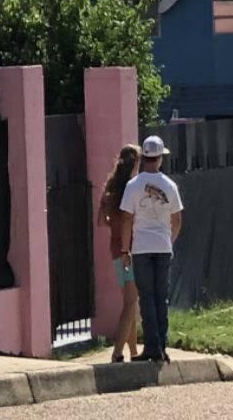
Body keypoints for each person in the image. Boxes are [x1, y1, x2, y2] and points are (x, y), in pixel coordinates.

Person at [119, 135, 184, 363]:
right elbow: (177, 219)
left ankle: (151, 347)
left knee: (146, 297)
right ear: (160, 159)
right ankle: (161, 347)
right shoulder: (170, 185)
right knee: (161, 297)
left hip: (141, 248)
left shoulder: (132, 186)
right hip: (163, 247)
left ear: (144, 158)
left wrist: (125, 250)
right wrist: (169, 241)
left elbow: (126, 218)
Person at [97, 144, 140, 363]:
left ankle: (133, 351)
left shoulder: (110, 190)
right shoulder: (130, 190)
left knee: (130, 301)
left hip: (115, 250)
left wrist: (113, 225)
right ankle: (117, 352)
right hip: (128, 250)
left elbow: (101, 221)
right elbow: (128, 220)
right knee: (131, 303)